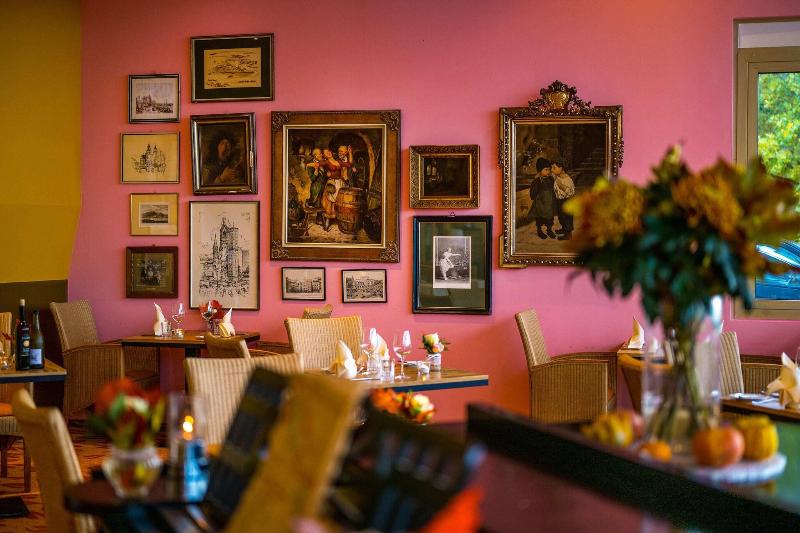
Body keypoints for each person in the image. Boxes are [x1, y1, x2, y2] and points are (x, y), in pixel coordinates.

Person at [529, 158, 556, 239]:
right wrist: (536, 196)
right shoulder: (536, 181)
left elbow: (554, 188)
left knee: (550, 217)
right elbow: (532, 193)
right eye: (546, 170)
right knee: (539, 218)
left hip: (549, 202)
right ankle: (539, 230)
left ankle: (549, 230)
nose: (548, 172)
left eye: (549, 170)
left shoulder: (551, 179)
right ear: (539, 170)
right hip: (540, 203)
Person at [552, 160, 575, 240]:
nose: (552, 170)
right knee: (561, 216)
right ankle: (564, 229)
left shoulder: (567, 179)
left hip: (567, 200)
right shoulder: (558, 177)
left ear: (561, 168)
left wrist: (561, 185)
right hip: (560, 200)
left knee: (567, 217)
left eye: (554, 168)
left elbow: (570, 192)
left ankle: (568, 234)